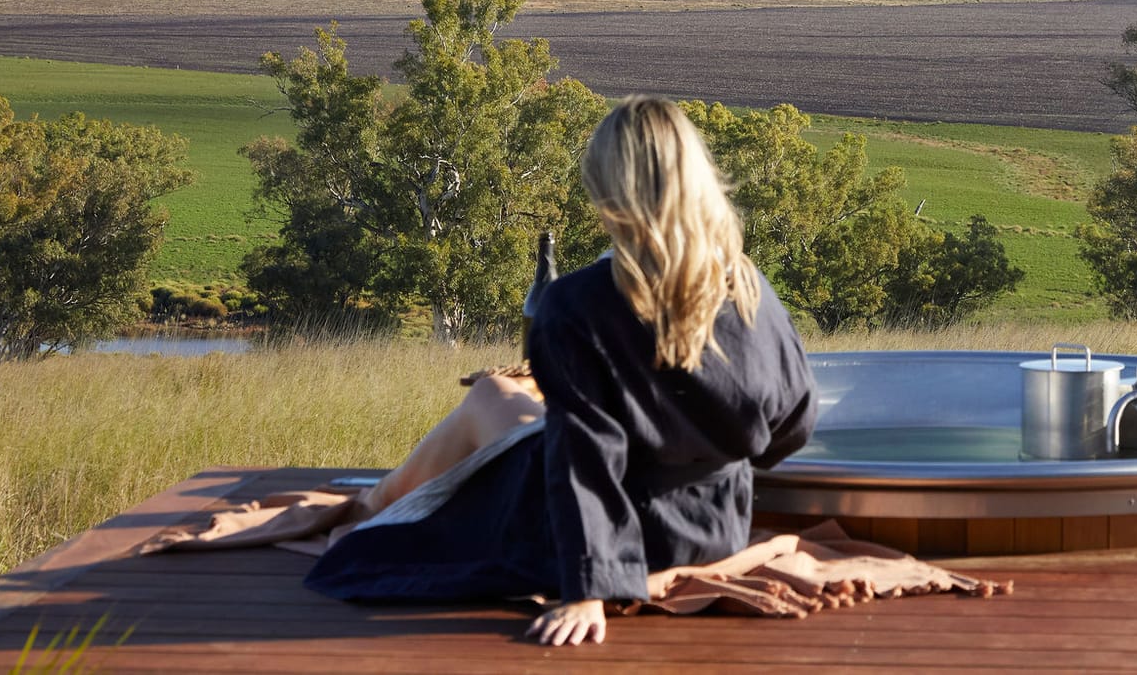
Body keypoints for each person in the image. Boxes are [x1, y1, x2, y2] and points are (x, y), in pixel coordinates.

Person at [304, 95, 818, 647]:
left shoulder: (579, 304)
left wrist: (587, 591)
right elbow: (792, 428)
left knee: (383, 537)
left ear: (606, 191)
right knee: (497, 397)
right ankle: (379, 500)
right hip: (715, 527)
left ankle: (374, 507)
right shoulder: (746, 286)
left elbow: (585, 462)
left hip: (622, 540)